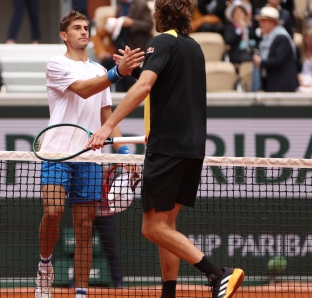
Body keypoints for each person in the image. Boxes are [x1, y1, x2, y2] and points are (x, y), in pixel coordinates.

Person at [85, 1, 245, 298]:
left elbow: (146, 87)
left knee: (151, 228)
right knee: (167, 226)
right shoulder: (194, 47)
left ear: (160, 15)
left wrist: (108, 127)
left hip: (167, 147)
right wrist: (133, 71)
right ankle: (168, 294)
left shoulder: (161, 41)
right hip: (192, 148)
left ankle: (218, 272)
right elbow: (167, 86)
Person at [35, 10, 144, 298]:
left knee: (84, 228)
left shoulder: (99, 70)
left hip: (89, 157)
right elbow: (83, 91)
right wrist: (118, 73)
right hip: (57, 151)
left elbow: (106, 117)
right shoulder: (56, 65)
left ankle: (80, 293)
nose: (84, 32)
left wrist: (125, 154)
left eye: (86, 27)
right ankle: (45, 266)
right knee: (53, 212)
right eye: (77, 28)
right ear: (64, 35)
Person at [92, 0, 153, 92]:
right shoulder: (113, 17)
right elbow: (98, 36)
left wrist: (131, 23)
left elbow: (149, 25)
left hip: (136, 47)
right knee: (110, 65)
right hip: (118, 50)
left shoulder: (140, 4)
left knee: (127, 74)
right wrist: (101, 51)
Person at [252, 7, 298, 92]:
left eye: (263, 21)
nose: (260, 24)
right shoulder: (267, 39)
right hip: (273, 86)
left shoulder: (282, 38)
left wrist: (260, 62)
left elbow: (277, 60)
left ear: (272, 22)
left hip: (283, 88)